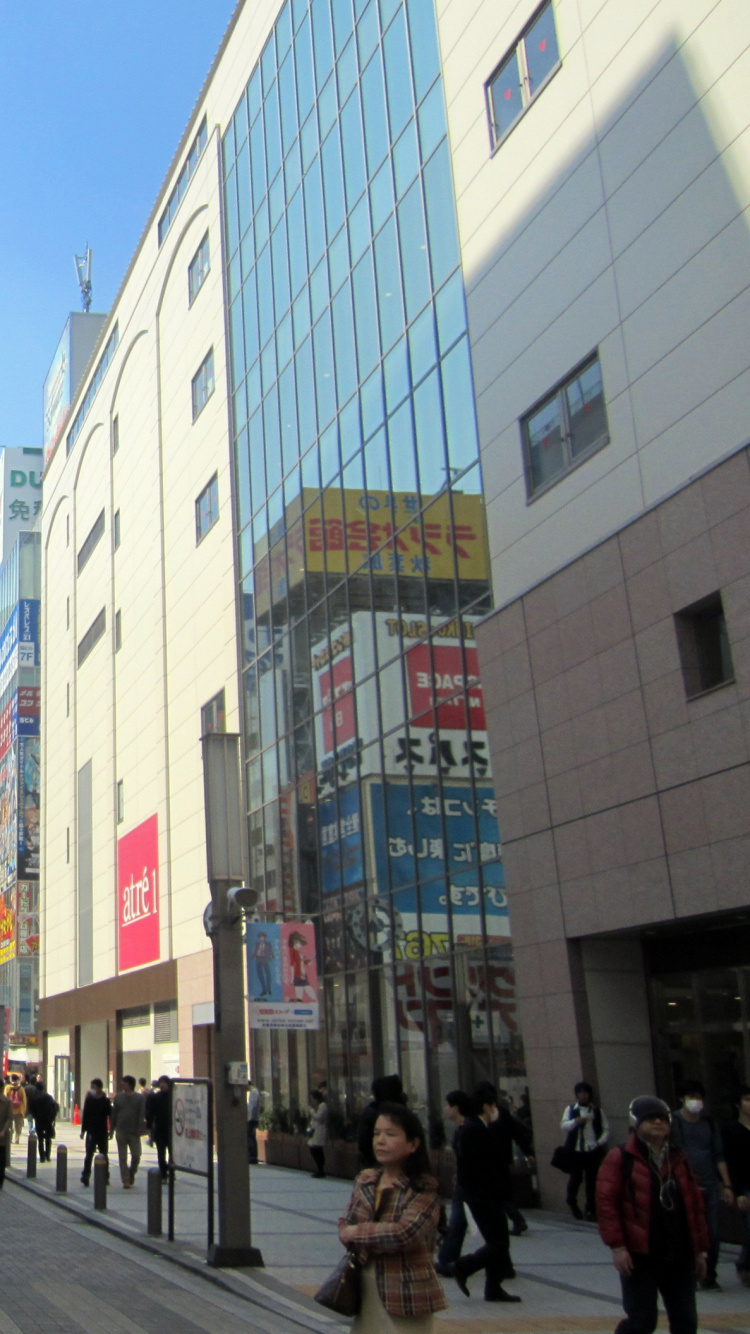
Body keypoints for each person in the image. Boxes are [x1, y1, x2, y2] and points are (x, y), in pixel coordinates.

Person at [597, 1095, 709, 1334]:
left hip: (680, 1252)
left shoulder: (679, 1157)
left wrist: (700, 1250)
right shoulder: (620, 1157)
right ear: (636, 1124)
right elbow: (606, 1205)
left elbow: (694, 1205)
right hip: (640, 1253)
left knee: (686, 1321)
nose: (658, 1122)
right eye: (650, 1118)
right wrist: (617, 1247)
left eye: (663, 1118)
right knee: (642, 1321)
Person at [338, 1102, 448, 1332]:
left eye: (390, 1134)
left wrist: (360, 1233)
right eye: (377, 1133)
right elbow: (345, 1226)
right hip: (365, 1288)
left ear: (413, 1144)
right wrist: (368, 1235)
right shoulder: (366, 1180)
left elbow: (404, 1234)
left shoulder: (423, 1187)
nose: (380, 1141)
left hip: (406, 1293)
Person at [448, 1081, 528, 1303]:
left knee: (499, 1241)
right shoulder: (475, 1129)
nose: (496, 1110)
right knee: (498, 1243)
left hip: (488, 1194)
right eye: (493, 1106)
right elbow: (473, 1166)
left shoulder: (478, 1127)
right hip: (483, 1196)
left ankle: (493, 1288)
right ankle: (463, 1266)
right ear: (486, 1106)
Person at [670, 1079, 733, 1289]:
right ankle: (690, 1272)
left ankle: (709, 1275)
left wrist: (727, 1185)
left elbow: (718, 1155)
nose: (696, 1102)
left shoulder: (709, 1124)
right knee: (688, 1231)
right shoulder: (675, 1122)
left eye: (699, 1097)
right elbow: (675, 1152)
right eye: (692, 1097)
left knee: (713, 1233)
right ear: (682, 1099)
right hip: (686, 1186)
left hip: (709, 1184)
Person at [435, 1089, 472, 1275]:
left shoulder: (468, 1129)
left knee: (457, 1220)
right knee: (459, 1220)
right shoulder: (460, 1128)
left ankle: (447, 1257)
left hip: (468, 1183)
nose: (445, 1109)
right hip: (463, 1181)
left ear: (456, 1107)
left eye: (448, 1105)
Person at [560, 1081, 610, 1221]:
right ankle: (572, 1202)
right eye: (580, 1093)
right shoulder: (570, 1109)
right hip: (575, 1150)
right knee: (576, 1178)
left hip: (591, 1150)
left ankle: (591, 1209)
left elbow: (606, 1128)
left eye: (585, 1093)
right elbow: (564, 1126)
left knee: (592, 1180)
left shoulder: (597, 1111)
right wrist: (575, 1121)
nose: (583, 1096)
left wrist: (599, 1143)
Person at [723, 1084, 750, 1286]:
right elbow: (732, 1162)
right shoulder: (731, 1130)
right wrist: (736, 1190)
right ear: (738, 1105)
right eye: (747, 1100)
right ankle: (744, 1264)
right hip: (745, 1185)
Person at [358, 1074, 408, 1168]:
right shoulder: (404, 1112)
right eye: (377, 1134)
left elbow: (363, 1143)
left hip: (375, 1164)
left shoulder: (371, 1112)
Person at [110, 1074, 146, 1188]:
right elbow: (114, 1114)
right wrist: (111, 1130)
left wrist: (140, 1129)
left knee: (136, 1155)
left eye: (124, 1083)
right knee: (122, 1157)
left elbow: (142, 1114)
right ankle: (125, 1179)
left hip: (134, 1131)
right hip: (120, 1130)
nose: (122, 1085)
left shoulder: (139, 1098)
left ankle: (132, 1172)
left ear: (130, 1084)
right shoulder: (118, 1097)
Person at [80, 1078, 112, 1185]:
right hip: (91, 1131)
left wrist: (111, 1130)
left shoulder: (105, 1101)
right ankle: (85, 1175)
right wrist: (83, 1131)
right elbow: (85, 1116)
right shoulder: (89, 1100)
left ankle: (105, 1176)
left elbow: (110, 1116)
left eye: (93, 1087)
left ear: (99, 1088)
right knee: (89, 1154)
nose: (91, 1089)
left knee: (103, 1154)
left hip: (102, 1131)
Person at [145, 1075, 172, 1180]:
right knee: (161, 1153)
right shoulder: (155, 1097)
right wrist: (149, 1127)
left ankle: (169, 1170)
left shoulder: (174, 1096)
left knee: (172, 1154)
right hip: (160, 1128)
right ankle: (164, 1173)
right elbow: (149, 1113)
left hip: (172, 1129)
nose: (162, 1085)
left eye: (164, 1082)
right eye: (161, 1083)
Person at [31, 1082, 59, 1162]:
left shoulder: (34, 1098)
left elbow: (32, 1110)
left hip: (39, 1120)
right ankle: (47, 1155)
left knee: (40, 1139)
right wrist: (53, 1118)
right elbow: (55, 1107)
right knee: (48, 1138)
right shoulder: (48, 1097)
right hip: (48, 1120)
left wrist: (35, 1116)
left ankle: (42, 1157)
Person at [309, 1087, 328, 1178]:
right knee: (313, 1148)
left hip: (319, 1130)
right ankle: (319, 1168)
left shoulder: (323, 1105)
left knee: (317, 1149)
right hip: (315, 1129)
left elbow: (319, 1117)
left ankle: (321, 1169)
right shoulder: (319, 1106)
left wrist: (311, 1111)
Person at [4, 1073, 27, 1143]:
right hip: (19, 1110)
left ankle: (9, 1139)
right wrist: (23, 1110)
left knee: (9, 1125)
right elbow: (24, 1100)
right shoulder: (21, 1088)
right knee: (18, 1126)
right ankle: (17, 1138)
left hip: (9, 1110)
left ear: (11, 1079)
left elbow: (5, 1098)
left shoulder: (7, 1087)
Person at [252, 931, 274, 999]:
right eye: (260, 937)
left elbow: (271, 952)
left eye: (263, 937)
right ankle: (264, 990)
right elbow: (255, 951)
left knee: (268, 975)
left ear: (265, 937)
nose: (262, 938)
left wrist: (271, 956)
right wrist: (254, 956)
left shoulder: (268, 944)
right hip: (258, 959)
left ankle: (269, 989)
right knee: (260, 976)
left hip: (265, 959)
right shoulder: (257, 944)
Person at [0, 1083, 11, 1189]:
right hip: (2, 1135)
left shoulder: (7, 1102)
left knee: (1, 1159)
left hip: (2, 1136)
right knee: (1, 1159)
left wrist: (3, 1130)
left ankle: (0, 1181)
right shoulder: (7, 1101)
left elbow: (9, 1118)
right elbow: (10, 1118)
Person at [247, 1079, 261, 1165]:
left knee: (250, 1137)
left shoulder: (254, 1092)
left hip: (252, 1118)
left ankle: (252, 1156)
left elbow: (253, 1106)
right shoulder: (253, 1092)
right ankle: (252, 1156)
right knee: (251, 1137)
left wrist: (250, 1117)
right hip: (253, 1118)